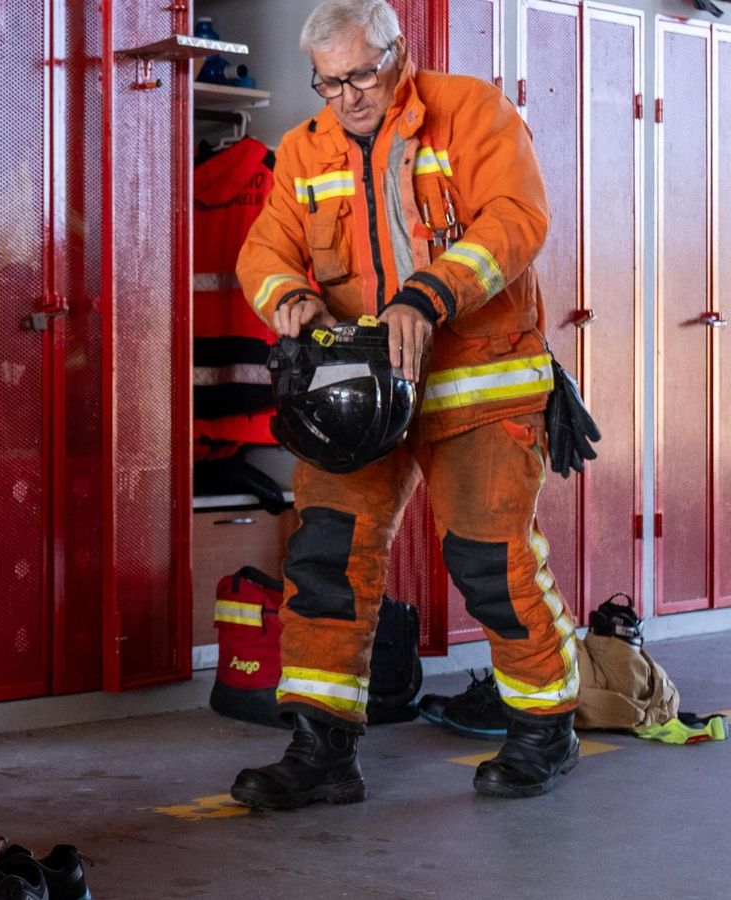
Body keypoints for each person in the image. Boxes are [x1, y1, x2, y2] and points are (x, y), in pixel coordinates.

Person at [232, 0, 580, 804]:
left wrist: (428, 296)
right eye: (328, 83)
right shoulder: (303, 149)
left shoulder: (472, 114)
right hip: (355, 399)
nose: (346, 96)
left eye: (360, 75)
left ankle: (543, 729)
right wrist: (287, 297)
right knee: (325, 562)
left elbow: (517, 218)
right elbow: (266, 249)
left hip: (479, 386)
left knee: (489, 563)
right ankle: (322, 751)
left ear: (398, 53)